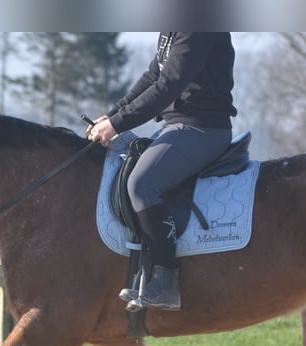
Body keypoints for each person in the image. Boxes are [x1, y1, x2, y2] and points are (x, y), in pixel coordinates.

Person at [87, 32, 237, 310]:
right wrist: (113, 114)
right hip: (177, 126)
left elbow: (168, 85)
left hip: (202, 128)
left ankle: (165, 283)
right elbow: (153, 75)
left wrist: (118, 123)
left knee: (142, 184)